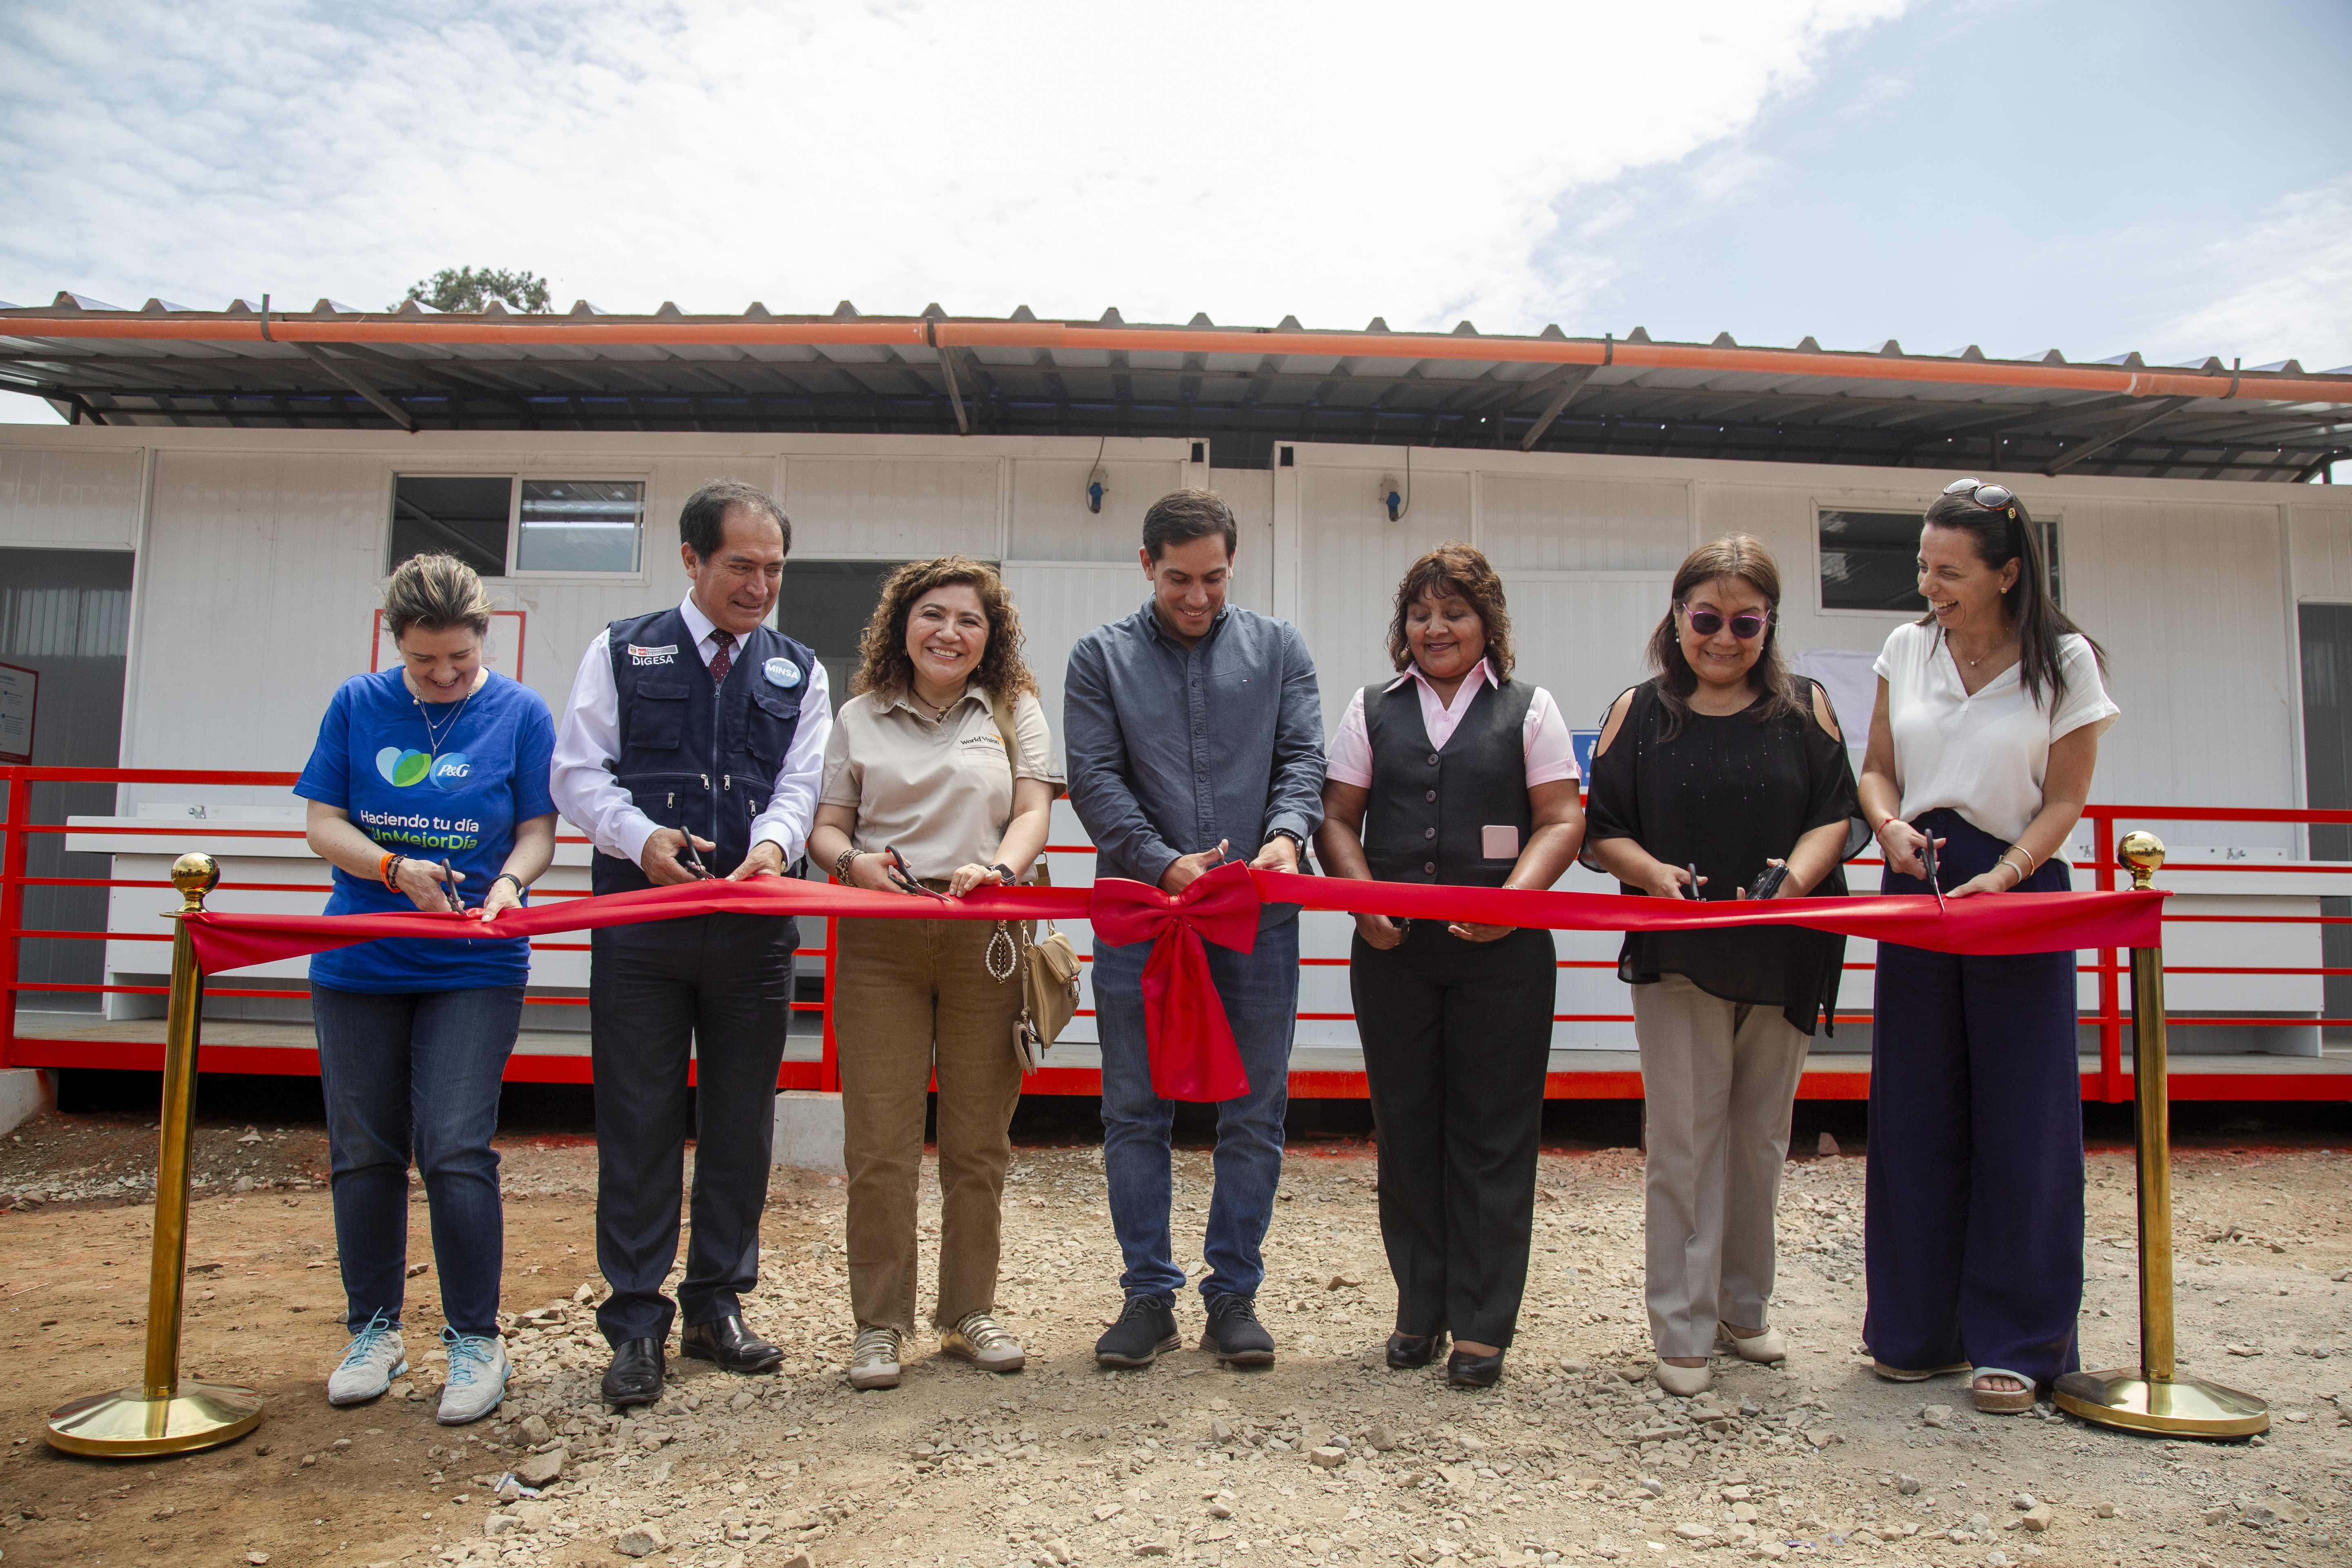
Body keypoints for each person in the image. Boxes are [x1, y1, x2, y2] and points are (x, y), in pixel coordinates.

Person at [550, 478, 831, 1407]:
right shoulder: (621, 650)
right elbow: (577, 773)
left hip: (754, 932)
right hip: (642, 927)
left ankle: (717, 1305)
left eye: (775, 569)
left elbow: (802, 784)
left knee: (742, 1121)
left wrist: (774, 848)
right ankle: (636, 1322)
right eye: (741, 566)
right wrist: (641, 839)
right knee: (639, 1120)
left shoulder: (800, 669)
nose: (760, 587)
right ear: (692, 559)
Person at [1858, 479, 2117, 1415]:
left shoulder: (2065, 662)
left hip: (2018, 887)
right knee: (1914, 1108)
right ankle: (1916, 1332)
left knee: (2023, 1116)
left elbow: (2066, 798)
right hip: (1918, 880)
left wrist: (2007, 874)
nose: (1930, 587)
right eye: (1924, 567)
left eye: (1951, 573)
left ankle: (2019, 1342)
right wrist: (1887, 826)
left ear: (2008, 574)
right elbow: (1878, 768)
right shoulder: (1905, 647)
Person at [1584, 535, 1862, 1398]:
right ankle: (1682, 1323)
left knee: (1760, 1136)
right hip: (1681, 951)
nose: (1723, 639)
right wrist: (1653, 875)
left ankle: (1744, 1305)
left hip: (1787, 948)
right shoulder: (1640, 711)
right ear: (1678, 617)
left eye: (1746, 623)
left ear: (1769, 624)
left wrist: (1796, 880)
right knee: (1685, 1138)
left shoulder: (1805, 707)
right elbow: (1603, 828)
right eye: (1707, 619)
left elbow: (1836, 811)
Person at [1065, 487, 1326, 1370]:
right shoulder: (1099, 658)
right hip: (1145, 913)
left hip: (1257, 913)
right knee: (1135, 1109)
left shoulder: (1281, 648)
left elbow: (1302, 758)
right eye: (1178, 578)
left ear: (1232, 564)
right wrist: (1162, 862)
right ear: (1146, 565)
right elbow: (1094, 778)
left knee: (1254, 1110)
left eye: (1214, 577)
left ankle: (1233, 1296)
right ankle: (1148, 1297)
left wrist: (1287, 837)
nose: (1198, 596)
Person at [1314, 544, 1584, 1389]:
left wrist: (1512, 904)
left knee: (1494, 1133)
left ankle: (1482, 1323)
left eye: (1455, 612)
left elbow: (1561, 820)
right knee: (1406, 1129)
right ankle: (1419, 1308)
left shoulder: (1530, 709)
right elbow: (1337, 819)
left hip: (1504, 958)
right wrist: (1363, 904)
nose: (1436, 628)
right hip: (1393, 953)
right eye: (1421, 613)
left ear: (1486, 622)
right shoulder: (1371, 709)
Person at [296, 552, 557, 1423]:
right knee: (365, 1149)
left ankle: (475, 1339)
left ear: (484, 637)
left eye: (459, 658)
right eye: (423, 661)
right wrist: (391, 867)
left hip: (474, 962)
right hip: (360, 957)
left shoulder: (520, 712)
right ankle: (373, 1330)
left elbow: (537, 829)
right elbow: (322, 823)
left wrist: (512, 882)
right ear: (394, 643)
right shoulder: (356, 703)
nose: (443, 675)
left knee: (453, 1145)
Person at [805, 556, 1056, 1391]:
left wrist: (1003, 871)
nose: (950, 632)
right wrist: (852, 865)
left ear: (992, 636)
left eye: (970, 620)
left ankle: (968, 1312)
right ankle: (879, 1324)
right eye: (933, 615)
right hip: (881, 941)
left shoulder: (1014, 708)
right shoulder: (859, 715)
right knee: (880, 1143)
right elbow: (827, 828)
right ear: (902, 626)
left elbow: (1033, 810)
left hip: (988, 935)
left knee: (978, 1141)